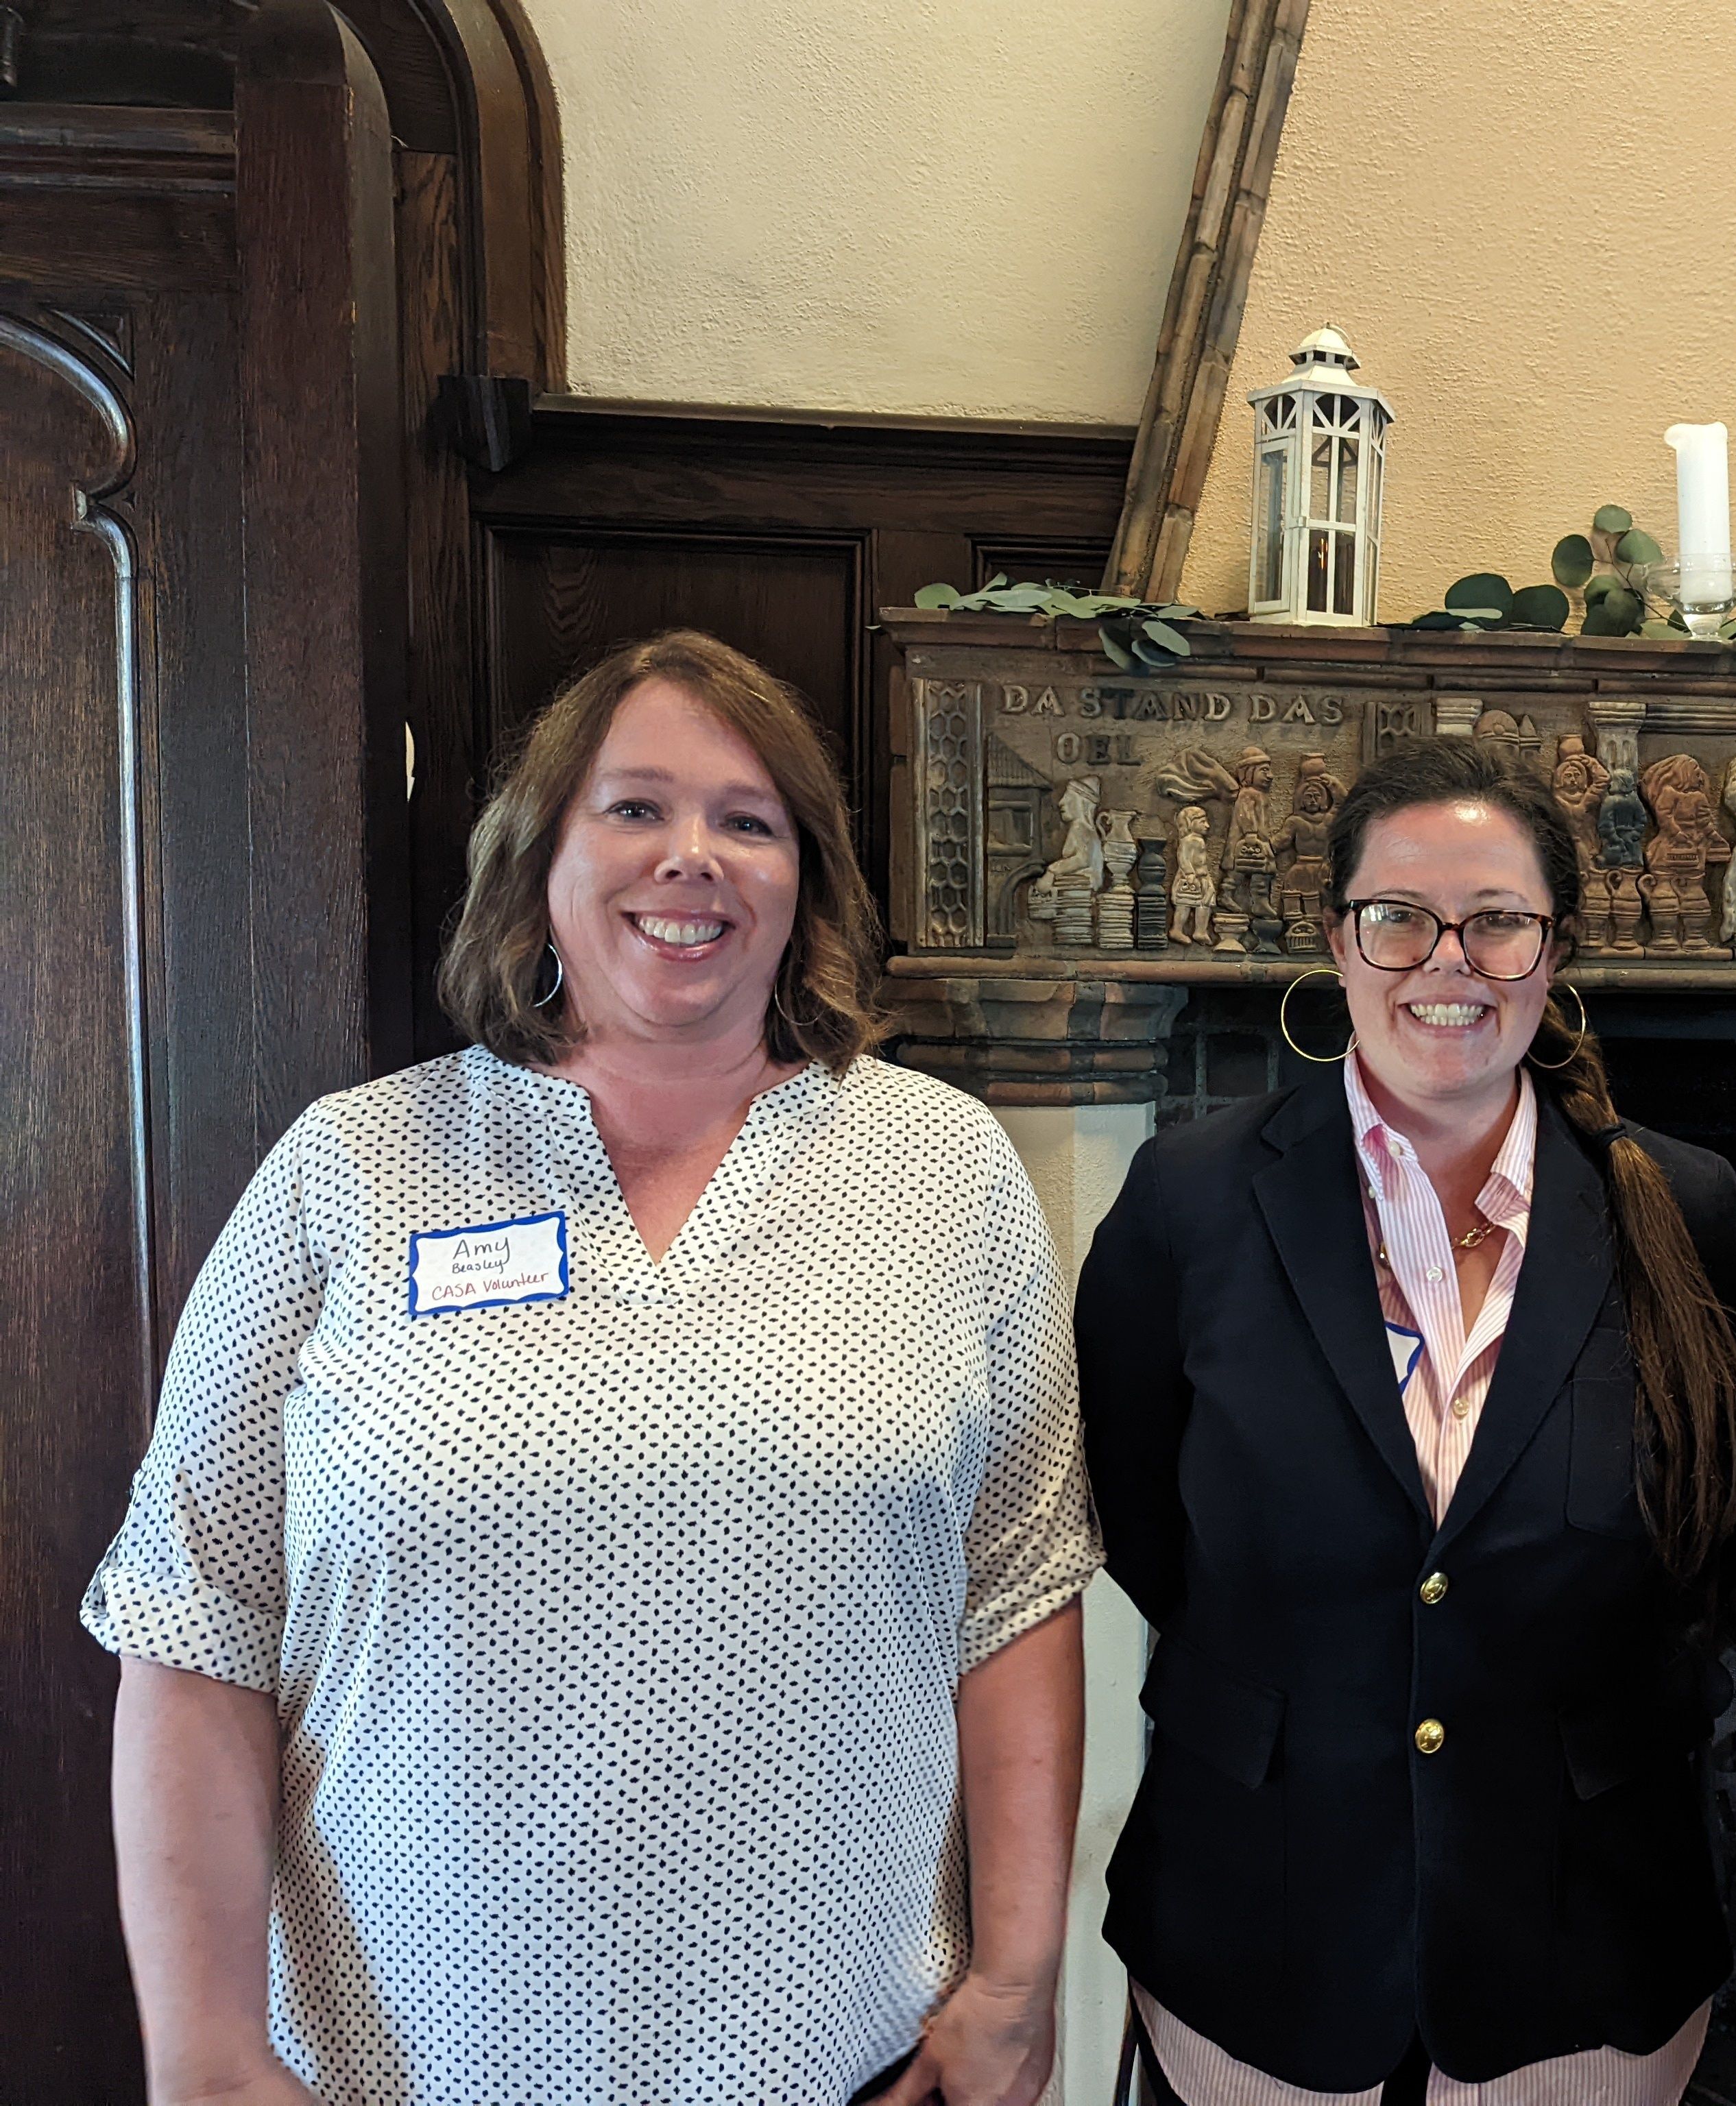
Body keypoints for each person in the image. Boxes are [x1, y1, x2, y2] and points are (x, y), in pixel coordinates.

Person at [83, 630, 1100, 2106]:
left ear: (804, 876)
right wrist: (206, 2055)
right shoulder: (351, 1168)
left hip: (839, 2054)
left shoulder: (943, 1169)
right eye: (635, 808)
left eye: (748, 822)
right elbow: (196, 1618)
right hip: (406, 2060)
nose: (693, 856)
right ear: (538, 859)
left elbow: (1018, 1595)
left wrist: (1015, 1987)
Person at [1076, 738, 1736, 2103]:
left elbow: (1724, 1541)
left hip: (1584, 1945)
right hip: (1255, 1931)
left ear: (1553, 951)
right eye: (1398, 919)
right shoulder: (1191, 1200)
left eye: (1497, 923)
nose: (1446, 962)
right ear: (1337, 941)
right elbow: (1144, 1522)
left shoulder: (1685, 1210)